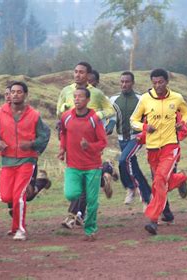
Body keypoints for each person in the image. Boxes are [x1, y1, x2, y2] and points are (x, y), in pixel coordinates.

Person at [130, 69, 187, 235]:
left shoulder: (176, 98)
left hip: (171, 146)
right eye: (154, 83)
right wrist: (144, 127)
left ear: (166, 81)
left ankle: (153, 220)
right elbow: (133, 120)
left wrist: (182, 123)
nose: (157, 86)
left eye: (160, 82)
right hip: (152, 148)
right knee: (160, 181)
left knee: (159, 180)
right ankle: (180, 179)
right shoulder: (145, 99)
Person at [56, 62, 115, 229]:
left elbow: (110, 110)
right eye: (75, 72)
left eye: (81, 72)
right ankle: (105, 175)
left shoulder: (96, 93)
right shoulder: (66, 91)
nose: (78, 75)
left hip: (90, 139)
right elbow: (59, 110)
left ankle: (74, 216)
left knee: (84, 180)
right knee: (77, 182)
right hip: (71, 135)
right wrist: (65, 109)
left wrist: (96, 115)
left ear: (88, 75)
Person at [0, 81, 50, 240]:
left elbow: (44, 136)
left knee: (19, 195)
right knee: (6, 196)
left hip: (27, 160)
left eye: (19, 92)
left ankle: (21, 230)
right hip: (7, 160)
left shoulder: (34, 115)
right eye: (13, 92)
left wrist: (31, 144)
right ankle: (15, 226)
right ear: (8, 95)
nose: (15, 94)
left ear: (25, 95)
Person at [58, 87, 108, 241]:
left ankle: (90, 230)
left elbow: (103, 142)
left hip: (92, 166)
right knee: (71, 193)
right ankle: (106, 175)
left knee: (92, 201)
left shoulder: (94, 119)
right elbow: (64, 133)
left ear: (87, 100)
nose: (77, 99)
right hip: (73, 165)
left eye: (80, 97)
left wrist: (89, 146)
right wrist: (62, 149)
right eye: (75, 97)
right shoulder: (66, 117)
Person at [110, 71, 153, 205]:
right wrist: (109, 126)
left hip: (137, 137)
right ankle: (148, 198)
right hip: (122, 138)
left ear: (132, 83)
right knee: (133, 168)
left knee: (123, 160)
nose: (124, 84)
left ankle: (130, 187)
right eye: (122, 81)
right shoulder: (113, 99)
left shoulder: (141, 99)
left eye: (127, 81)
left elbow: (148, 116)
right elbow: (111, 117)